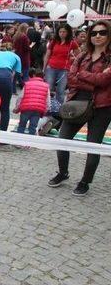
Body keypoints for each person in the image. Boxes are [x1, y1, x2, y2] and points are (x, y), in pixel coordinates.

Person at [49, 20, 111, 196]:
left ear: (108, 35)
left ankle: (85, 181)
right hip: (76, 103)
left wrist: (84, 77)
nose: (97, 36)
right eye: (94, 33)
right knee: (63, 140)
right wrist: (94, 79)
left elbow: (105, 81)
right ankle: (63, 172)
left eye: (102, 32)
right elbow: (71, 78)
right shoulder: (82, 56)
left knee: (93, 146)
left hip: (102, 107)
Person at [44, 24, 79, 104]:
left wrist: (73, 59)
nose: (62, 33)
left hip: (64, 69)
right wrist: (44, 67)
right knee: (49, 89)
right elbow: (47, 55)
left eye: (64, 32)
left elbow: (79, 55)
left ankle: (58, 110)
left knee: (60, 90)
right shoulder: (54, 41)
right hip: (51, 67)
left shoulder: (72, 43)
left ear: (68, 33)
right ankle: (47, 107)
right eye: (60, 32)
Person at [13, 68, 50, 135]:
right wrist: (45, 110)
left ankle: (18, 141)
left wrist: (17, 108)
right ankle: (29, 143)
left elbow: (20, 97)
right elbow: (48, 101)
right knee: (33, 127)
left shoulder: (27, 84)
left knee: (22, 125)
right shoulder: (46, 86)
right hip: (38, 109)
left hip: (26, 108)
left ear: (33, 75)